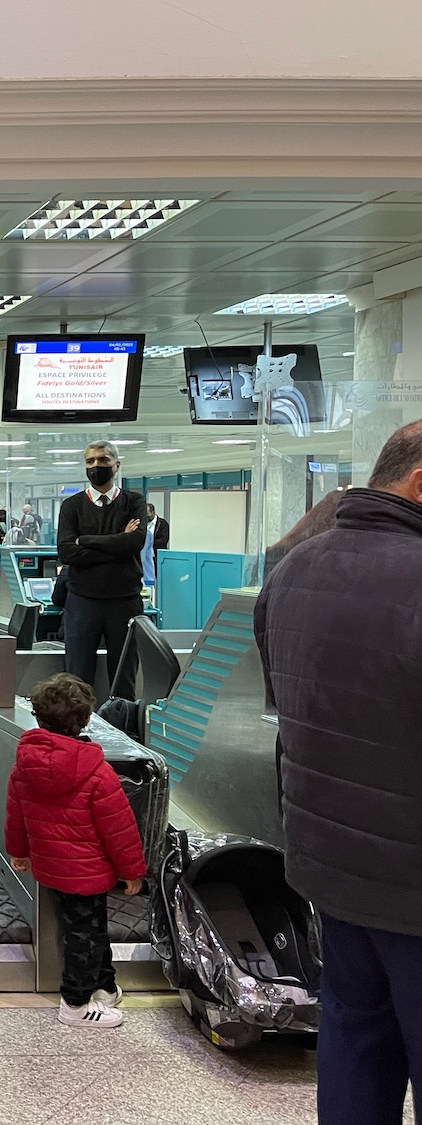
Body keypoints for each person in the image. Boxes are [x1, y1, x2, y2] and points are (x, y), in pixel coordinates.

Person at [254, 421, 422, 1124]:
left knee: (355, 1044)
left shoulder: (290, 571)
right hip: (413, 883)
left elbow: (287, 710)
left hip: (331, 872)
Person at [5, 674, 146, 1029]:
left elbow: (15, 815)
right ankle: (76, 1004)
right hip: (90, 874)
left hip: (52, 870)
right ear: (85, 720)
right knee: (86, 935)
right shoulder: (98, 773)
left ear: (38, 717)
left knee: (87, 930)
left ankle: (105, 985)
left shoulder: (24, 766)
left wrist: (18, 852)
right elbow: (120, 830)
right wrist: (132, 871)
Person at [55, 441, 147, 686]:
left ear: (116, 465)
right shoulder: (72, 506)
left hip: (125, 601)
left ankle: (122, 724)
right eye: (90, 461)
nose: (96, 465)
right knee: (76, 679)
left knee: (124, 677)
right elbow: (67, 553)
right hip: (82, 602)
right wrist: (119, 544)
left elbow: (135, 542)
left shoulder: (134, 502)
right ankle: (77, 725)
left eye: (103, 460)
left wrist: (85, 541)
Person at [141, 503, 171, 587]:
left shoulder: (163, 523)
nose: (146, 517)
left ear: (153, 512)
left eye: (147, 514)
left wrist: (149, 543)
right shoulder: (143, 524)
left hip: (158, 556)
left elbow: (164, 540)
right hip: (147, 556)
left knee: (159, 579)